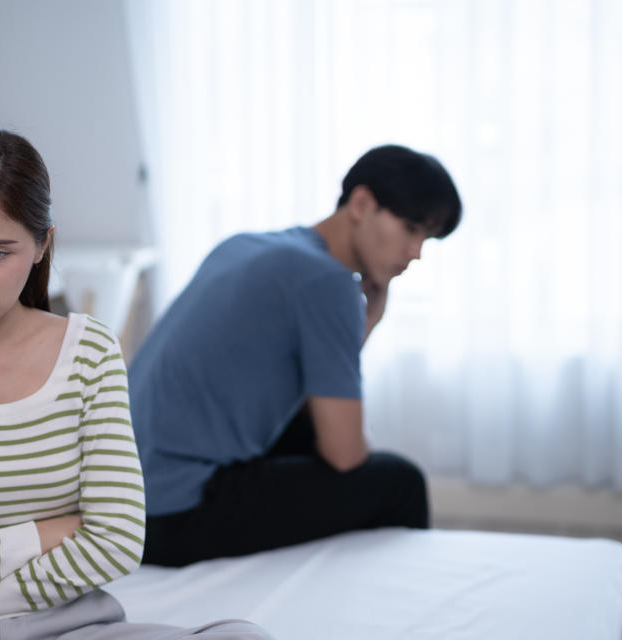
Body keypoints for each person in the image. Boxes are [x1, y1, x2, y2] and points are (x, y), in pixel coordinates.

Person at [0, 126, 271, 639]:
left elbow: (118, 541)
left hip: (75, 626)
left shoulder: (89, 352)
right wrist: (56, 530)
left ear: (42, 245)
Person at [130, 144, 462, 567]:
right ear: (362, 203)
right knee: (400, 482)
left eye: (426, 238)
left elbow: (301, 397)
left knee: (306, 431)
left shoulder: (249, 245)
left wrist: (366, 324)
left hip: (125, 498)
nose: (416, 252)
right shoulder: (328, 283)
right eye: (411, 229)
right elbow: (345, 454)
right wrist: (361, 319)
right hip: (172, 512)